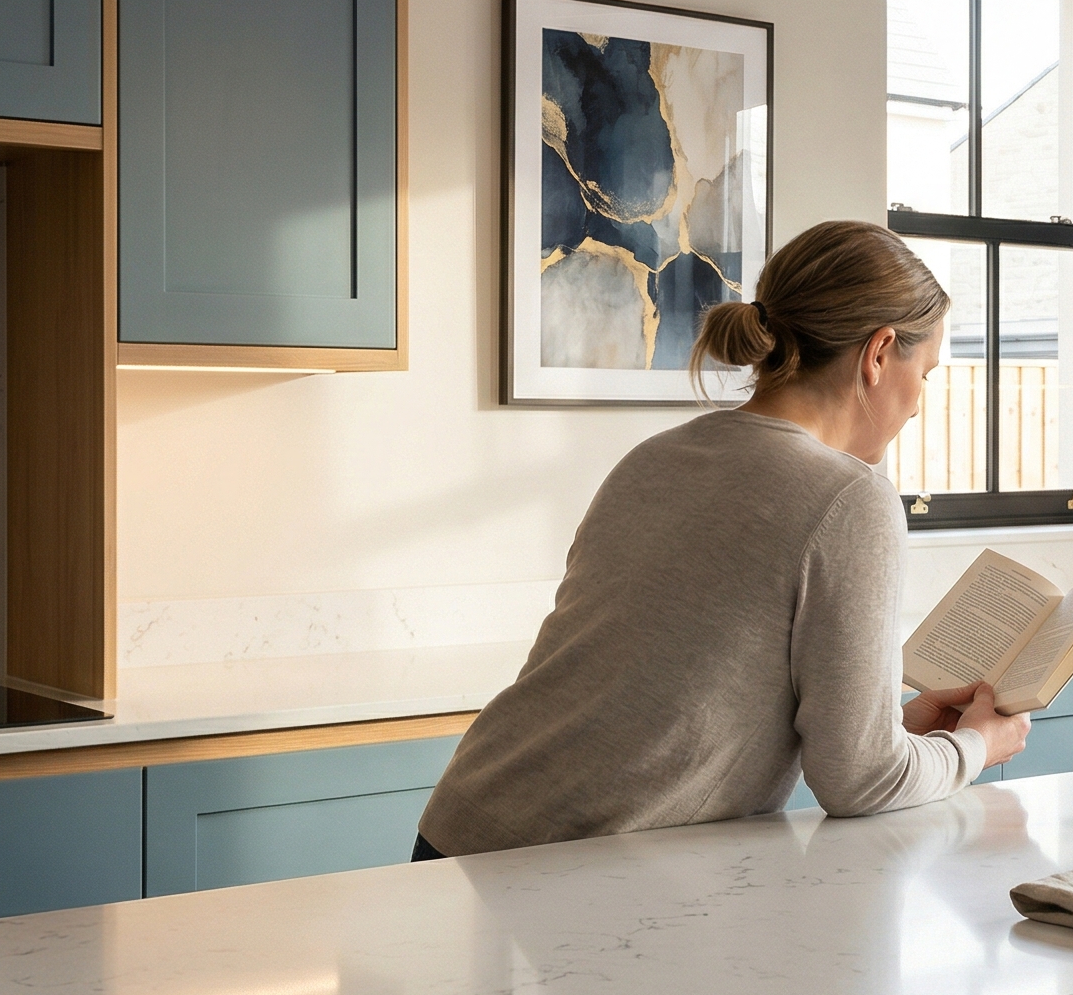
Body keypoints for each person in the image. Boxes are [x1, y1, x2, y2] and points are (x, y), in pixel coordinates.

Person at [412, 220, 1031, 859]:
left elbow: (693, 689)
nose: (919, 402)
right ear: (877, 355)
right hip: (559, 873)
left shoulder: (655, 456)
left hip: (461, 828)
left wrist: (896, 733)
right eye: (925, 373)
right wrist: (978, 744)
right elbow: (862, 780)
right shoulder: (851, 497)